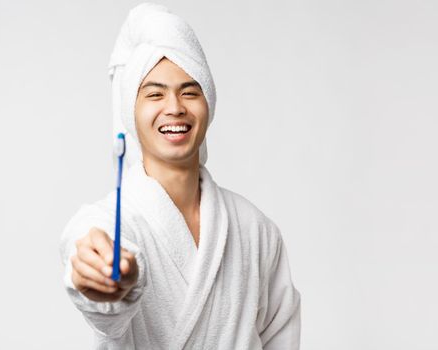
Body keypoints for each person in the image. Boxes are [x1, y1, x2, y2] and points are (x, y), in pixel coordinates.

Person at [60, 3, 301, 349]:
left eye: (190, 91)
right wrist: (105, 282)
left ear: (209, 105)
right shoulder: (104, 222)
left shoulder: (256, 229)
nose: (174, 107)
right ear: (132, 111)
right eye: (154, 93)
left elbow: (282, 337)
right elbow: (97, 285)